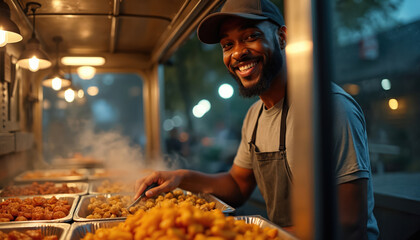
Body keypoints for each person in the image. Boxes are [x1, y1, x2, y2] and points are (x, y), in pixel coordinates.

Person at [134, 0, 379, 239]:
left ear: (282, 38)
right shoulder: (255, 115)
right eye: (227, 44)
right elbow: (238, 186)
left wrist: (252, 234)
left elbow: (348, 224)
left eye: (251, 36)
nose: (238, 53)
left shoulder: (330, 108)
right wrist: (181, 178)